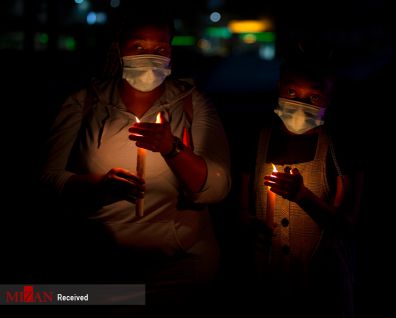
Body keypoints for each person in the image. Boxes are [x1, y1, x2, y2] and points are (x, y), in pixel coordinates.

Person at [40, 1, 231, 308]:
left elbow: (217, 187)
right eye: (138, 46)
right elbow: (47, 179)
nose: (149, 56)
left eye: (160, 48)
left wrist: (172, 149)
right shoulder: (85, 103)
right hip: (101, 269)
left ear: (171, 52)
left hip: (181, 269)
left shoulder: (192, 104)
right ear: (119, 50)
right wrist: (97, 185)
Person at [240, 47, 364, 316]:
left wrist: (303, 197)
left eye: (314, 97)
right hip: (267, 286)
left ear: (331, 99)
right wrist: (250, 225)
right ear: (278, 87)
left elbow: (350, 225)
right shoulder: (259, 142)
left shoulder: (338, 149)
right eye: (292, 93)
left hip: (323, 292)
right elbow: (243, 210)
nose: (300, 104)